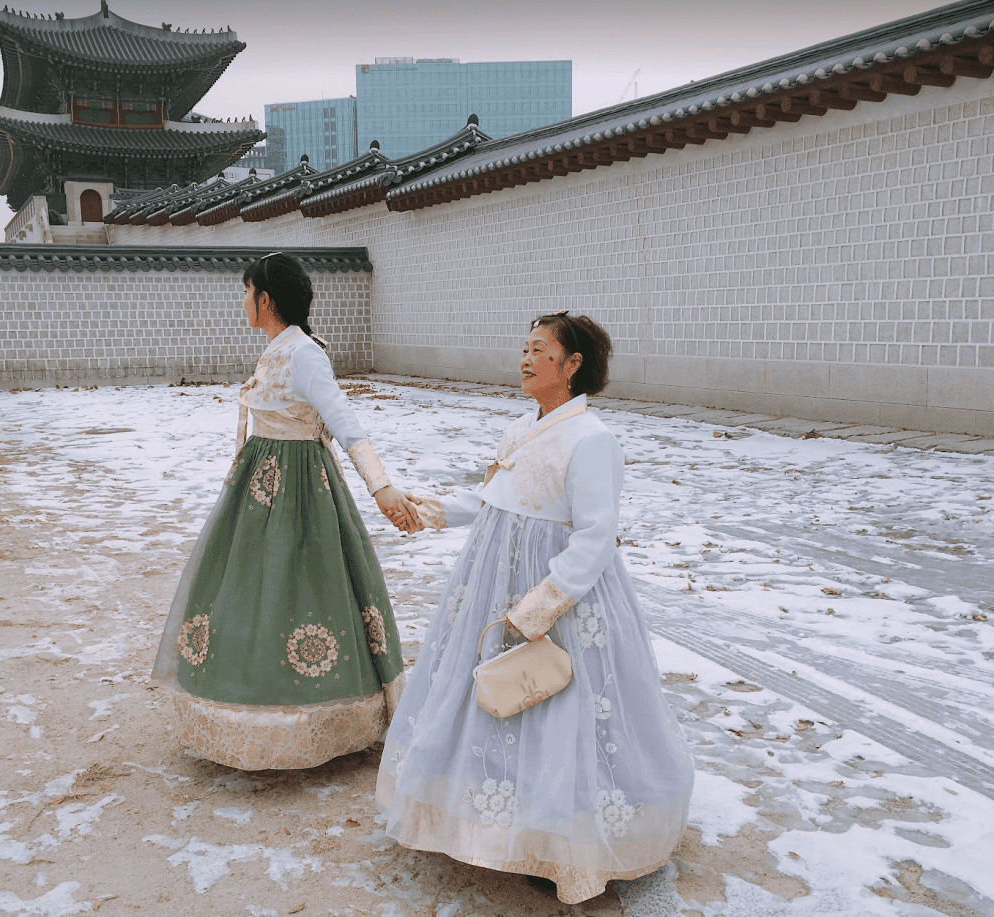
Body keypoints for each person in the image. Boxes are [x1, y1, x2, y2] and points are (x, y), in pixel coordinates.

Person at [376, 312, 694, 904]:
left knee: (561, 704)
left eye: (539, 350)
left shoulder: (593, 439)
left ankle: (562, 840)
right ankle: (499, 820)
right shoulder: (522, 426)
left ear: (572, 366)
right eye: (523, 348)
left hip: (560, 595)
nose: (525, 359)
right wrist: (437, 511)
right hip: (492, 581)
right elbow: (498, 499)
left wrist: (545, 603)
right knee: (500, 696)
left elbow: (596, 536)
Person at [152, 252, 420, 771]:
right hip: (258, 485)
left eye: (247, 290)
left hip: (302, 490)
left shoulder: (304, 354)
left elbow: (345, 421)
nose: (243, 301)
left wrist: (380, 486)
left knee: (301, 583)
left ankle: (316, 716)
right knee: (251, 585)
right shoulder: (276, 351)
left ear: (266, 299)